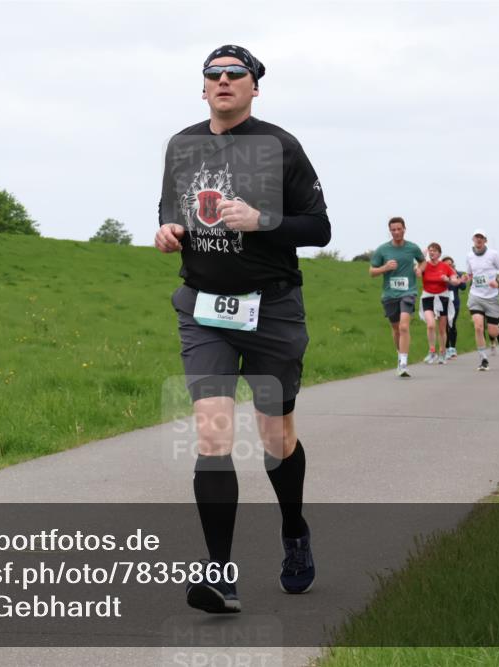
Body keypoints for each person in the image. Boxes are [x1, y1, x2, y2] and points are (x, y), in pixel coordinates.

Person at [157, 46, 329, 613]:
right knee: (212, 435)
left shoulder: (281, 146)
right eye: (214, 74)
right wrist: (168, 231)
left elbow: (319, 228)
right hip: (204, 310)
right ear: (203, 87)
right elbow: (170, 209)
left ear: (255, 87)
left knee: (276, 438)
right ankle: (220, 574)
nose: (224, 80)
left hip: (271, 310)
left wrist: (262, 221)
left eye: (237, 74)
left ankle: (294, 530)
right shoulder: (181, 145)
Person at [369, 218, 424, 377]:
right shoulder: (382, 250)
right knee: (395, 328)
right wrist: (385, 267)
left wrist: (419, 269)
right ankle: (400, 356)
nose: (396, 232)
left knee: (404, 326)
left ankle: (404, 364)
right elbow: (372, 272)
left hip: (408, 292)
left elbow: (423, 262)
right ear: (390, 231)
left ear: (404, 229)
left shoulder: (412, 248)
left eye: (399, 229)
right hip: (390, 294)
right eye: (393, 230)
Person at [463, 230, 499, 371]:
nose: (479, 239)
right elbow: (470, 274)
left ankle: (498, 331)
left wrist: (498, 282)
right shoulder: (469, 256)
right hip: (475, 296)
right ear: (473, 239)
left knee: (492, 332)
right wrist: (465, 278)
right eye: (476, 237)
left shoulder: (493, 254)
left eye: (481, 237)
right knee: (478, 327)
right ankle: (483, 359)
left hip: (491, 298)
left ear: (485, 240)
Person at [417, 243, 460, 364]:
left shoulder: (445, 266)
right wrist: (420, 258)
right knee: (430, 325)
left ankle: (442, 352)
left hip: (442, 297)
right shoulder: (424, 265)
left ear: (439, 253)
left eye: (434, 251)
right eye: (430, 250)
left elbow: (455, 281)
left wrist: (448, 280)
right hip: (427, 297)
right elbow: (416, 273)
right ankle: (432, 352)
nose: (432, 252)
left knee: (442, 329)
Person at [442, 256, 467, 359]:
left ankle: (452, 348)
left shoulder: (458, 274)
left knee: (452, 324)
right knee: (444, 326)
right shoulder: (441, 274)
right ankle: (446, 348)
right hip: (443, 302)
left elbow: (463, 287)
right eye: (447, 264)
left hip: (454, 303)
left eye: (451, 264)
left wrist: (459, 278)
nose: (449, 266)